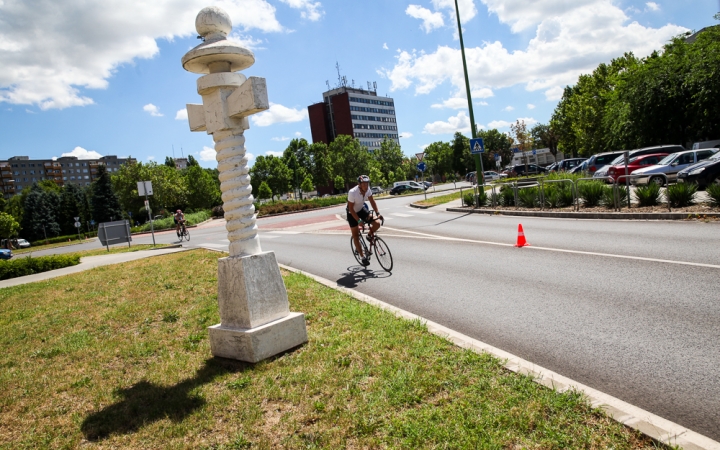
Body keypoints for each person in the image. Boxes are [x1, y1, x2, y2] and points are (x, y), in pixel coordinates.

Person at [347, 175, 383, 266]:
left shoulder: (368, 190)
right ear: (359, 184)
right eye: (364, 184)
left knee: (377, 223)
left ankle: (369, 235)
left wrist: (378, 213)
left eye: (367, 184)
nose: (366, 186)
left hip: (361, 210)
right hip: (352, 214)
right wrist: (359, 221)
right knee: (355, 235)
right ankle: (362, 257)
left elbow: (372, 201)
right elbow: (351, 209)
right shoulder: (352, 192)